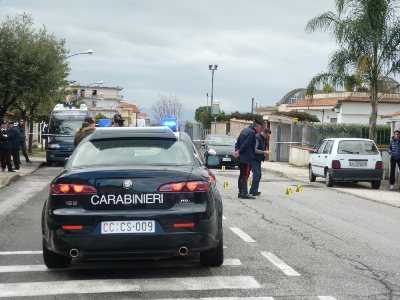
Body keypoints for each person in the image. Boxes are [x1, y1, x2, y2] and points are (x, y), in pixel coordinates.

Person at [234, 119, 264, 199]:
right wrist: (239, 151)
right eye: (260, 128)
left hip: (241, 158)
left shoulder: (244, 130)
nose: (260, 130)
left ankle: (241, 192)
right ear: (257, 127)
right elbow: (246, 144)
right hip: (246, 158)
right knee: (245, 176)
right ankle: (244, 193)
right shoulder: (251, 133)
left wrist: (237, 151)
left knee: (241, 175)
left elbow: (237, 142)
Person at [249, 128, 271, 196]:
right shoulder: (257, 138)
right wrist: (264, 152)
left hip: (258, 159)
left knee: (258, 175)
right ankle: (253, 191)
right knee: (257, 174)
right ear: (264, 133)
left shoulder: (263, 139)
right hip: (254, 159)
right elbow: (255, 150)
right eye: (267, 135)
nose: (268, 137)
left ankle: (254, 190)